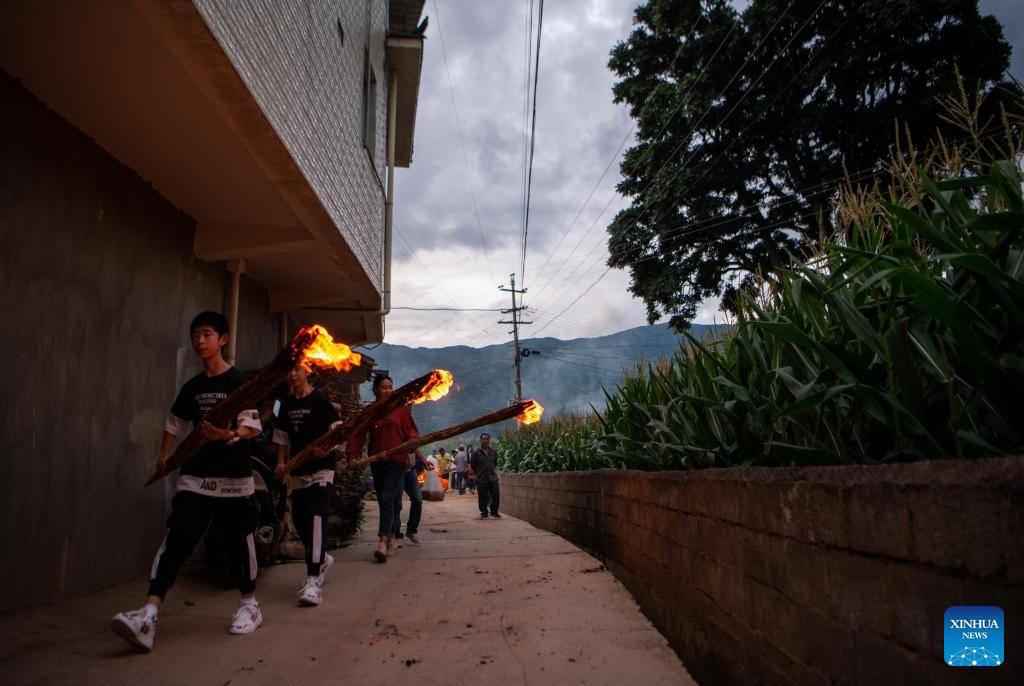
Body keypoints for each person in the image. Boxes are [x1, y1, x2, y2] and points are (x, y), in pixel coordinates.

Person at [111, 311, 264, 652]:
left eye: (207, 334)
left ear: (223, 339)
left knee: (239, 542)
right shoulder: (193, 387)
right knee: (177, 540)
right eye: (196, 335)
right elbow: (174, 422)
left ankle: (250, 605)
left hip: (233, 480)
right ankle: (149, 614)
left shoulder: (238, 381)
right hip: (196, 477)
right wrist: (165, 457)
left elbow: (252, 426)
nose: (200, 341)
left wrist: (228, 434)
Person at [272, 364, 343, 606]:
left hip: (321, 469)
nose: (292, 374)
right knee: (301, 520)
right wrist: (281, 463)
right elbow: (282, 438)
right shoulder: (287, 404)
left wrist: (329, 448)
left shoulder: (319, 400)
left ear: (307, 371)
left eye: (297, 369)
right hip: (298, 470)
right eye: (289, 370)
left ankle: (313, 581)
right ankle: (321, 558)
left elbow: (336, 430)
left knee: (316, 517)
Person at [346, 375, 424, 562]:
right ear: (376, 390)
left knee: (387, 496)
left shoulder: (401, 410)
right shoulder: (370, 411)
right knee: (385, 499)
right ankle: (392, 536)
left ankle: (382, 541)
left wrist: (412, 443)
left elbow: (411, 433)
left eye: (390, 387)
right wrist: (352, 456)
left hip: (397, 460)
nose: (388, 390)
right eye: (384, 387)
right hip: (377, 460)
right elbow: (358, 435)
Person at [470, 433, 501, 519]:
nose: (485, 441)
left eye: (487, 439)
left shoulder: (493, 452)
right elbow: (473, 465)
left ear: (489, 440)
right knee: (482, 496)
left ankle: (494, 512)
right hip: (481, 478)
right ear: (480, 440)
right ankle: (484, 512)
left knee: (496, 495)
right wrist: (479, 473)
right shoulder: (476, 453)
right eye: (483, 439)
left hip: (493, 478)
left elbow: (495, 463)